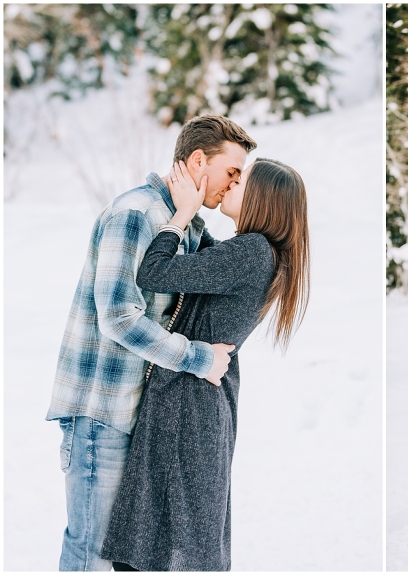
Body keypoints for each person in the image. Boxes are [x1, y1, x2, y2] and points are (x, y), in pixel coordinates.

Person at [46, 115, 257, 571]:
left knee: (125, 558)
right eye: (231, 172)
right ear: (198, 161)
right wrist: (198, 358)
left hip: (139, 416)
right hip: (103, 411)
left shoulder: (187, 225)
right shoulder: (136, 214)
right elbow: (119, 317)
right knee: (90, 553)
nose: (234, 183)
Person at [99, 157, 310, 571]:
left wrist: (181, 215)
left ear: (262, 199)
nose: (230, 184)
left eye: (240, 180)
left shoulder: (251, 252)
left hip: (187, 403)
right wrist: (192, 211)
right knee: (167, 537)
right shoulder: (254, 253)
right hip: (198, 399)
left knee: (159, 541)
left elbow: (154, 272)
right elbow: (203, 256)